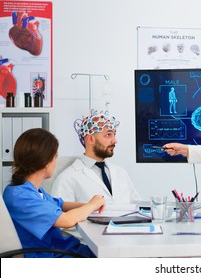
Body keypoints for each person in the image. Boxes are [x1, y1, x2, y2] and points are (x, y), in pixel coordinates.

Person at [2, 128, 105, 258]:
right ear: (45, 162)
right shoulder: (19, 196)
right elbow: (67, 220)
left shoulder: (31, 190)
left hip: (62, 249)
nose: (56, 162)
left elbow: (60, 204)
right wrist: (92, 205)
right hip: (50, 255)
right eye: (55, 157)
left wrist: (90, 205)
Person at [52, 109, 142, 204]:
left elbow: (139, 207)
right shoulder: (67, 178)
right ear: (90, 139)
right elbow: (61, 215)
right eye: (108, 135)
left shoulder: (121, 173)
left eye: (114, 135)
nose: (114, 141)